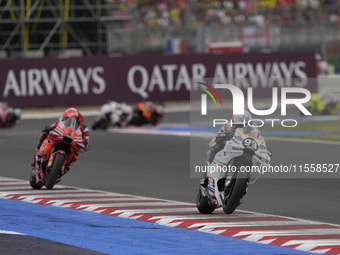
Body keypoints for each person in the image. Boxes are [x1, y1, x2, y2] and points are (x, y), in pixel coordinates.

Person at [199, 110, 271, 189]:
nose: (244, 127)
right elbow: (212, 144)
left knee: (254, 158)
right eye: (241, 125)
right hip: (229, 149)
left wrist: (265, 151)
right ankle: (204, 178)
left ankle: (244, 182)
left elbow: (262, 143)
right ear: (233, 123)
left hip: (245, 151)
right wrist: (219, 139)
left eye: (246, 125)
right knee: (214, 150)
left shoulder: (255, 132)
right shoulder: (227, 127)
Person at [31, 108, 90, 184]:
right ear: (64, 117)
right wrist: (48, 129)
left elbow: (87, 142)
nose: (70, 122)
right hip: (59, 138)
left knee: (75, 154)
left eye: (73, 120)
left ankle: (64, 169)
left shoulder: (84, 129)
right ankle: (34, 162)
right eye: (67, 119)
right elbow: (53, 126)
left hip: (72, 144)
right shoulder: (60, 121)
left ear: (78, 119)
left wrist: (85, 144)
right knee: (44, 137)